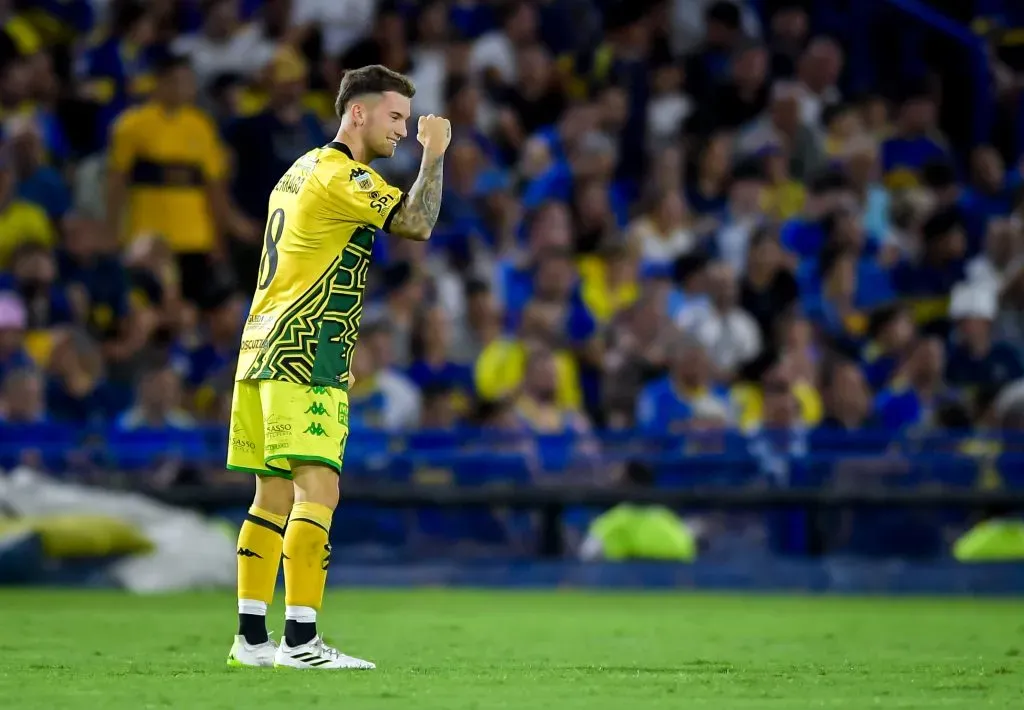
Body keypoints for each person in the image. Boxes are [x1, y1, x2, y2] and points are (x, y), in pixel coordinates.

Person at [225, 64, 451, 670]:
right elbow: (417, 221)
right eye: (396, 117)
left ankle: (251, 639)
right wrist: (435, 154)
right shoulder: (341, 174)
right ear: (358, 113)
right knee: (318, 489)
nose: (404, 130)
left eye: (409, 122)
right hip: (302, 353)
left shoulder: (298, 171)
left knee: (270, 495)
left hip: (261, 348)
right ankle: (300, 642)